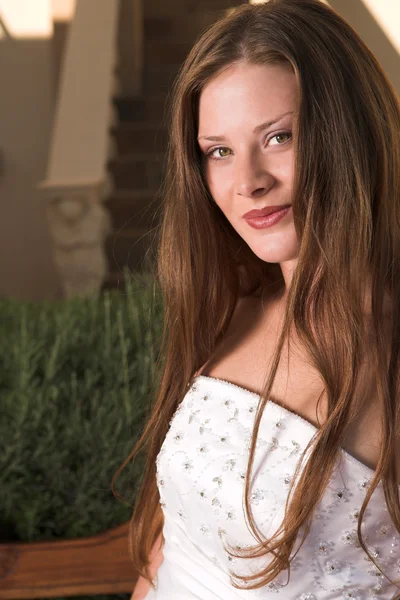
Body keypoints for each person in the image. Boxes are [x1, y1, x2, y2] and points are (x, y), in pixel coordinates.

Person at [114, 0, 400, 597]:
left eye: (279, 137)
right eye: (218, 150)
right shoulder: (233, 306)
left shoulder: (388, 354)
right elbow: (171, 550)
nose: (248, 180)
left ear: (352, 133)